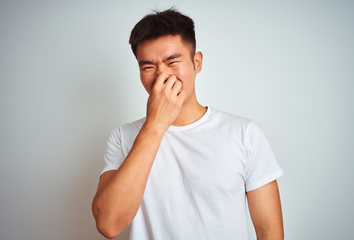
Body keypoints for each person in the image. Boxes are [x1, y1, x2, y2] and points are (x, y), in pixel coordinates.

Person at [92, 8, 284, 240]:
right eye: (148, 67)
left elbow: (269, 232)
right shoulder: (123, 137)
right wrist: (155, 124)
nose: (162, 75)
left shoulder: (244, 134)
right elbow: (108, 224)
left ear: (197, 62)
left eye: (172, 61)